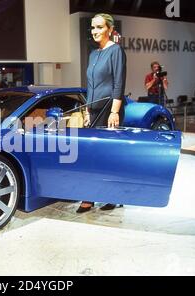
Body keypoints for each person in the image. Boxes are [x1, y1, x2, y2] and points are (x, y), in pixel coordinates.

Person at [77, 13, 126, 213]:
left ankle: (112, 196)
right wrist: (87, 110)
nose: (95, 31)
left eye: (99, 27)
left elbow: (118, 83)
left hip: (110, 110)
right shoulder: (93, 54)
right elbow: (90, 84)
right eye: (93, 27)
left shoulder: (116, 51)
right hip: (94, 110)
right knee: (91, 157)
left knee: (108, 157)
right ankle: (89, 196)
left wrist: (114, 112)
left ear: (110, 30)